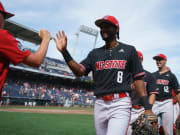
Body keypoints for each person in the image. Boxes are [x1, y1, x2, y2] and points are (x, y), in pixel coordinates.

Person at [54, 15, 153, 135]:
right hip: (100, 104)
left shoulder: (129, 50)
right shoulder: (95, 54)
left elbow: (138, 80)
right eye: (101, 27)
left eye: (107, 26)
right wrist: (65, 52)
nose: (103, 29)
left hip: (120, 103)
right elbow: (79, 71)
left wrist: (147, 108)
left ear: (116, 29)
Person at [0, 2, 51, 101]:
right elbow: (36, 61)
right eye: (4, 16)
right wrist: (46, 39)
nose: (4, 21)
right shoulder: (2, 36)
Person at [127, 51, 158, 135]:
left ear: (142, 60)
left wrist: (148, 109)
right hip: (127, 109)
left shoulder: (149, 75)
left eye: (138, 59)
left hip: (142, 110)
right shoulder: (126, 75)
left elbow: (153, 94)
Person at [152, 53, 180, 135]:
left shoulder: (171, 76)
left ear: (165, 61)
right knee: (151, 129)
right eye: (156, 60)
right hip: (155, 102)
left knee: (168, 131)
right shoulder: (153, 75)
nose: (158, 61)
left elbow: (178, 93)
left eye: (160, 59)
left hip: (167, 102)